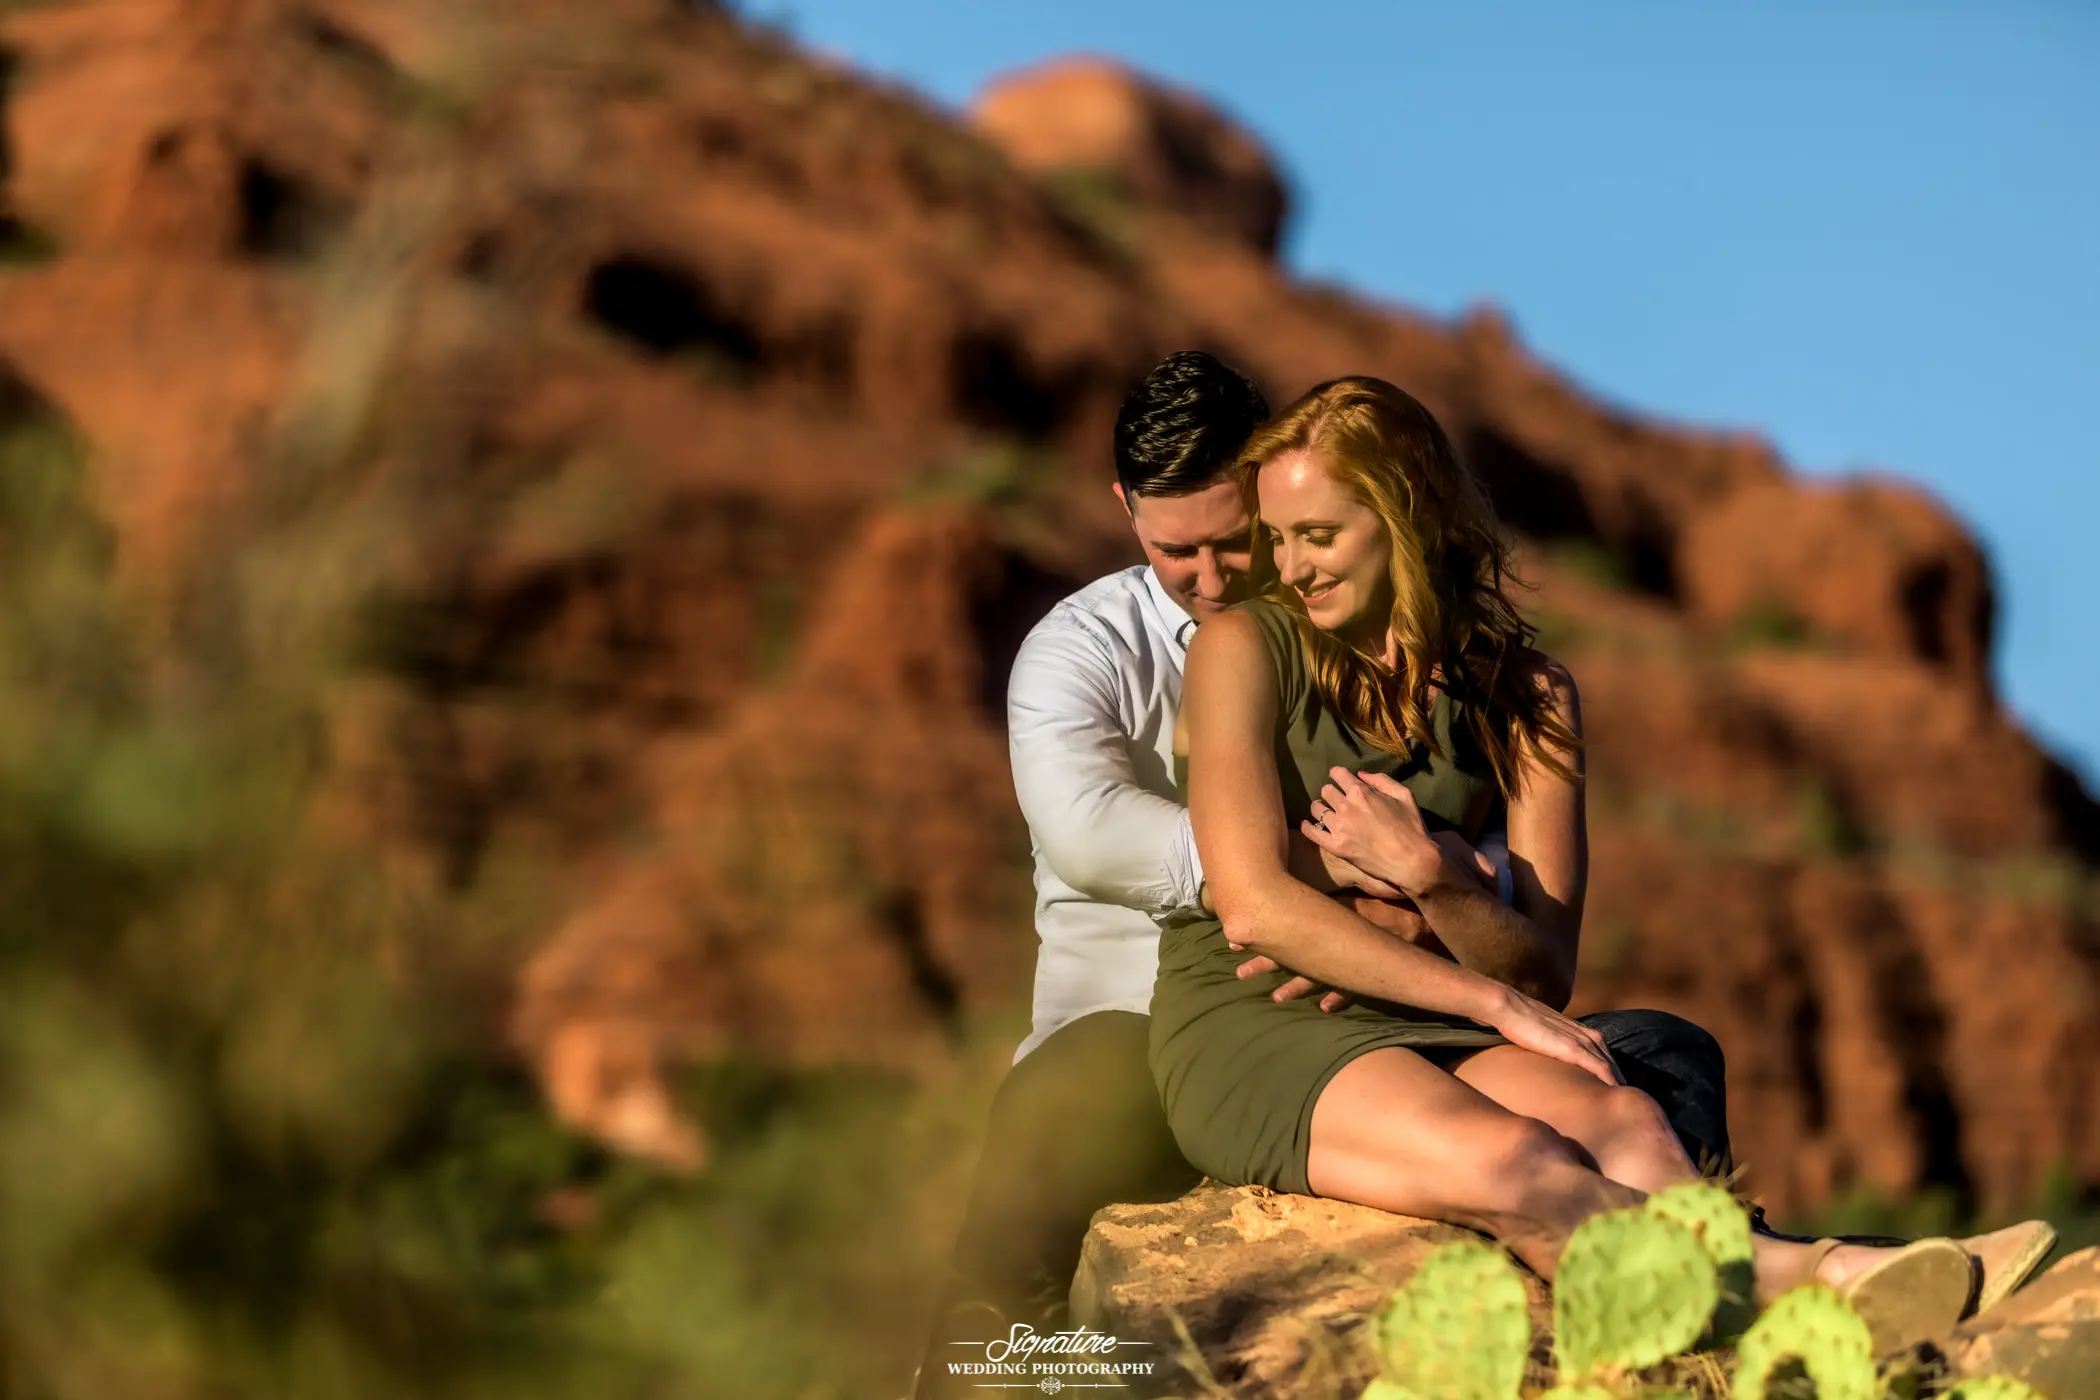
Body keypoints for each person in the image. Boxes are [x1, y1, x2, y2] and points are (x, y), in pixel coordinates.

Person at [1153, 373, 2051, 1354]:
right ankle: (1815, 1280)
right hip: (1260, 1016)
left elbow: (1543, 967)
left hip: (1419, 1011)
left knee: (1624, 1120)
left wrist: (1437, 879)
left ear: (1406, 516)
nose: (1292, 566)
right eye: (1277, 538)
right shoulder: (1242, 645)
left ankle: (1790, 1297)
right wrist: (1487, 1003)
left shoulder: (1528, 696)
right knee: (1517, 1161)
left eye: (1317, 535)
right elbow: (1251, 905)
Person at [908, 354, 1741, 1400]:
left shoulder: (1353, 624)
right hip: (1150, 1012)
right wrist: (1312, 888)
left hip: (1399, 1002)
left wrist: (1429, 888)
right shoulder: (1081, 650)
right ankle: (980, 1363)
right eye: (1177, 552)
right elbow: (1088, 834)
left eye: (1236, 540)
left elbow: (1462, 845)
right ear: (1125, 511)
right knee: (1058, 1113)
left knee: (1658, 1053)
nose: (1215, 576)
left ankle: (1702, 1281)